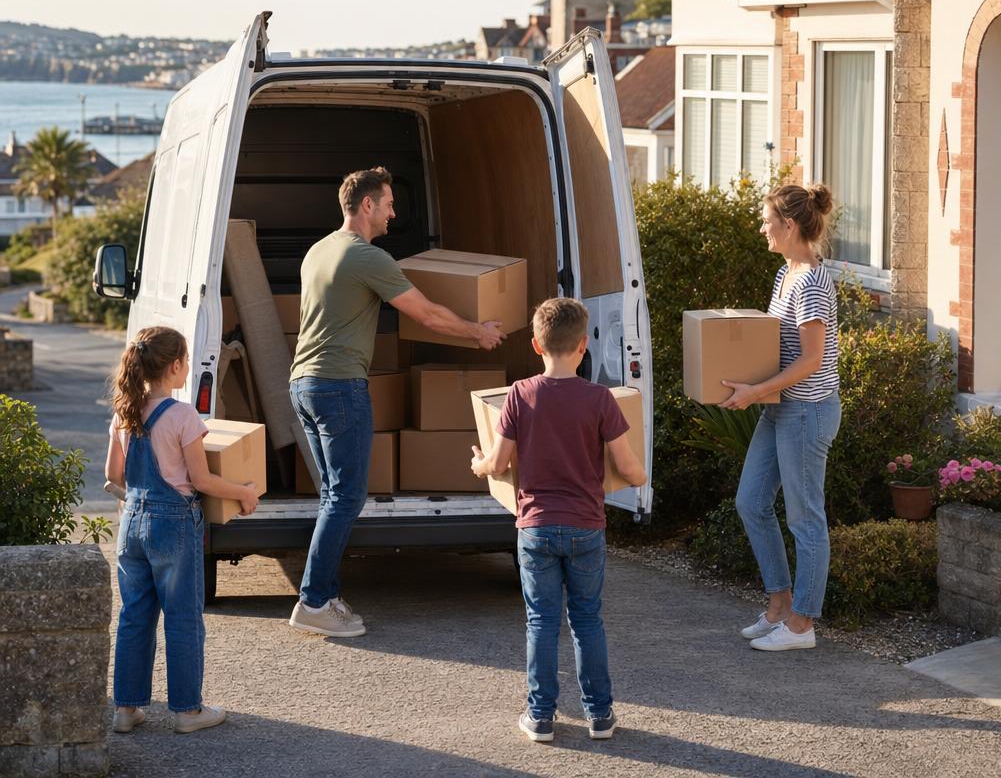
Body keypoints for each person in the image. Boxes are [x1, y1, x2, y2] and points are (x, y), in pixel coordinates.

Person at [288, 166, 504, 638]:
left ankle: (325, 594)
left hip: (303, 384)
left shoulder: (318, 251)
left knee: (333, 497)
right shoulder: (368, 257)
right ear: (366, 205)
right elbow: (426, 314)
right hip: (339, 385)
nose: (393, 212)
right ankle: (314, 600)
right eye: (388, 202)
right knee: (346, 498)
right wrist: (478, 331)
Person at [471, 298, 647, 743]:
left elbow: (497, 463)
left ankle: (542, 717)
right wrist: (641, 473)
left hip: (535, 527)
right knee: (587, 621)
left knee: (541, 622)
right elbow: (629, 469)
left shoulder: (519, 394)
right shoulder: (600, 399)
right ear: (584, 346)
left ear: (535, 344)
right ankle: (600, 716)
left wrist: (478, 464)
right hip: (586, 526)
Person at [105, 326, 260, 735]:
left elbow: (112, 474)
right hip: (173, 524)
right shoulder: (182, 415)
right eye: (187, 360)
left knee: (134, 616)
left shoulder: (124, 411)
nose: (188, 367)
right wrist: (243, 492)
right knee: (183, 617)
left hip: (131, 522)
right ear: (175, 366)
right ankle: (187, 711)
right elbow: (203, 481)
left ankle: (126, 708)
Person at [721, 183, 840, 652]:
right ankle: (779, 604)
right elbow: (777, 344)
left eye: (766, 219)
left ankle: (802, 625)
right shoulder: (785, 273)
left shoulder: (810, 282)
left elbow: (811, 360)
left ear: (789, 225)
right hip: (780, 406)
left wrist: (755, 391)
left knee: (806, 520)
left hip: (807, 411)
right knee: (750, 502)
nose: (761, 226)